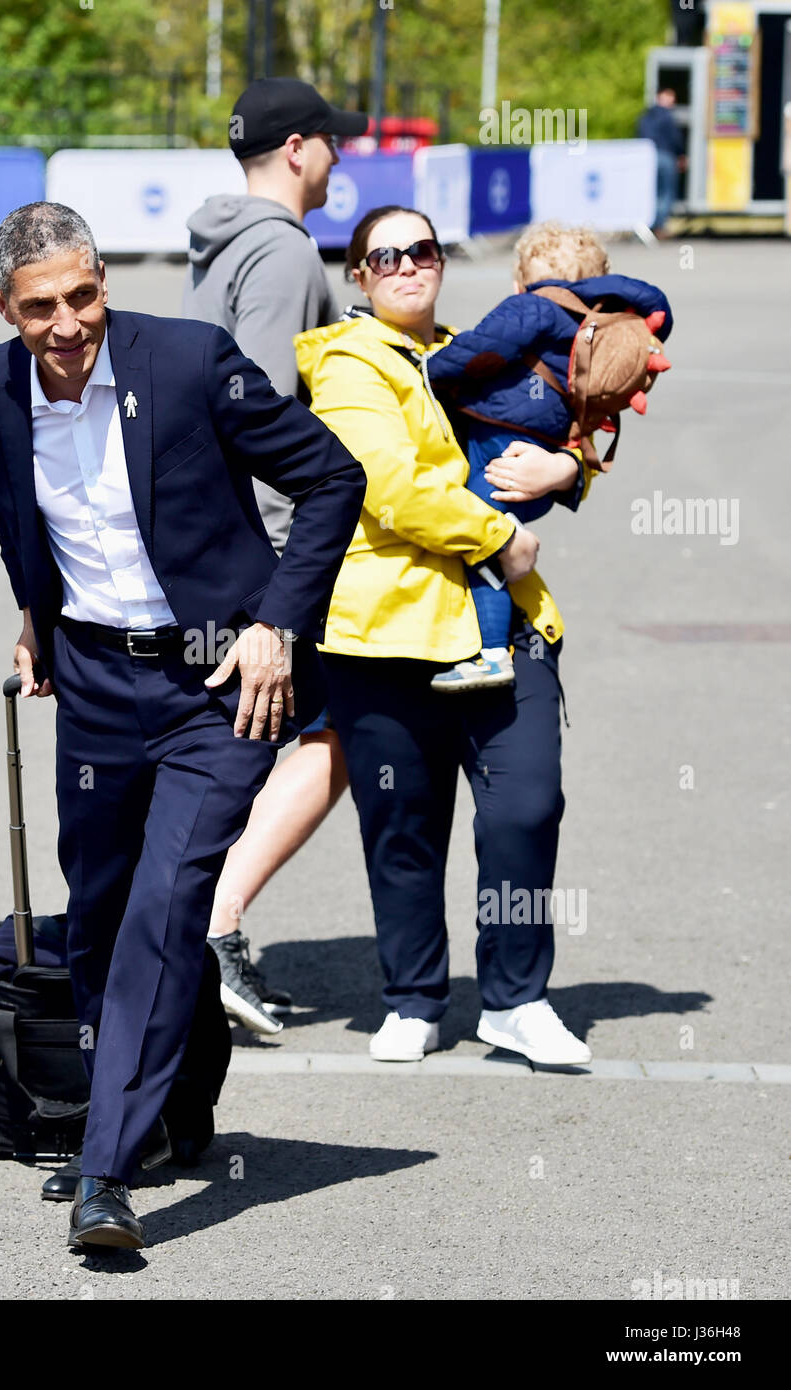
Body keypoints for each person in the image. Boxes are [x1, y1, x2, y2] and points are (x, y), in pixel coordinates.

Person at [0, 202, 365, 1250]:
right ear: (4, 307)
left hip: (220, 681)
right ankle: (162, 1109)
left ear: (102, 282)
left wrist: (276, 622)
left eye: (83, 294)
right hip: (90, 679)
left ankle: (105, 1170)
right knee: (95, 912)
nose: (67, 322)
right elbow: (20, 510)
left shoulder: (186, 364)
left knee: (167, 908)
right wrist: (34, 620)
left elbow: (330, 477)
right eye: (39, 306)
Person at [294, 204, 593, 1067]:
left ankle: (515, 999)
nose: (405, 265)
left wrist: (569, 467)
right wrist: (499, 535)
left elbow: (566, 420)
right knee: (403, 826)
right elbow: (388, 483)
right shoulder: (349, 362)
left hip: (507, 623)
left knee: (527, 806)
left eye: (420, 249)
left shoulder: (483, 350)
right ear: (358, 276)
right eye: (382, 255)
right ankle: (415, 995)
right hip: (387, 629)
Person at [183, 78, 366, 1035]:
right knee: (333, 737)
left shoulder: (221, 246)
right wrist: (283, 573)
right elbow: (259, 405)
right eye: (333, 145)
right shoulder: (286, 252)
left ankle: (197, 936)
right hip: (269, 540)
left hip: (213, 531)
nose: (341, 160)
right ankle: (210, 931)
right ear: (297, 149)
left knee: (240, 745)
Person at [423, 221, 673, 691]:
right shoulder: (589, 322)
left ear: (520, 283)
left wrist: (427, 369)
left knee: (483, 543)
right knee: (495, 535)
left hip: (501, 448)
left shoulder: (532, 308)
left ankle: (491, 652)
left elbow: (480, 347)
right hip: (545, 454)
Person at [637, 88, 686, 236]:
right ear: (660, 98)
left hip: (649, 156)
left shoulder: (646, 116)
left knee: (652, 192)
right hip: (665, 155)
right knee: (666, 192)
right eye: (669, 98)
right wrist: (681, 154)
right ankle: (659, 226)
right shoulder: (667, 116)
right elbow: (675, 138)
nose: (672, 102)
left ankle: (649, 224)